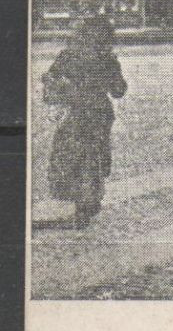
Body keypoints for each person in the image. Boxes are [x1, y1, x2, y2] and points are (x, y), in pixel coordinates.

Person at [43, 15, 126, 226]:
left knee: (72, 156)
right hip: (99, 113)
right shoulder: (107, 59)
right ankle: (88, 202)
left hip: (77, 112)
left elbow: (50, 77)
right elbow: (118, 91)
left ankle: (81, 203)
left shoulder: (68, 55)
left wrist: (63, 88)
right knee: (94, 157)